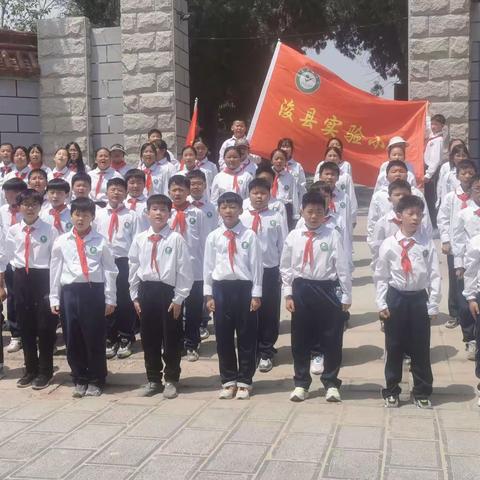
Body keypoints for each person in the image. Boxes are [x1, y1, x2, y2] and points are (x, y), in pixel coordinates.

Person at [281, 192, 351, 403]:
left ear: (326, 213)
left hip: (327, 289)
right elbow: (286, 267)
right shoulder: (294, 236)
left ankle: (331, 383)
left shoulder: (332, 235)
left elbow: (343, 267)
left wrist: (346, 294)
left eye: (319, 212)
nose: (313, 216)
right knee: (300, 339)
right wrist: (288, 293)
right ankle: (301, 383)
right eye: (309, 212)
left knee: (332, 337)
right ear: (301, 211)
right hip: (302, 288)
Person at [375, 195, 441, 408]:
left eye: (419, 214)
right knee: (394, 346)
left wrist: (433, 303)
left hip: (418, 299)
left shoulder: (426, 243)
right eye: (410, 214)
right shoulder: (389, 245)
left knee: (420, 347)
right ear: (398, 216)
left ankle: (421, 390)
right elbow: (381, 276)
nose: (415, 218)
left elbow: (434, 275)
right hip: (396, 298)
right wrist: (382, 303)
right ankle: (392, 389)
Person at [50, 197, 118, 397]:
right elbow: (55, 270)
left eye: (86, 215)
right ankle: (79, 377)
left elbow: (110, 270)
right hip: (70, 293)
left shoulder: (101, 241)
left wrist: (110, 298)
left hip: (93, 292)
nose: (81, 219)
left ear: (92, 218)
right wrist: (55, 298)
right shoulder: (62, 241)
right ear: (71, 215)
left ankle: (97, 378)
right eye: (77, 214)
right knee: (73, 337)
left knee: (94, 336)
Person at [129, 194, 192, 398]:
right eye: (154, 209)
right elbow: (134, 266)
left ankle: (172, 378)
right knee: (149, 338)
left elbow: (184, 271)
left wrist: (179, 298)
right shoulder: (140, 239)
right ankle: (153, 379)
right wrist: (134, 295)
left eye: (163, 210)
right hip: (147, 291)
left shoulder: (176, 239)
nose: (158, 213)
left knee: (171, 337)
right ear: (147, 213)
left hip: (168, 293)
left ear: (169, 214)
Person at [204, 192, 263, 400]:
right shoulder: (213, 237)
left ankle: (245, 380)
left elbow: (257, 267)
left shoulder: (249, 236)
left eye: (232, 207)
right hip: (221, 289)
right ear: (219, 210)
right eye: (224, 207)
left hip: (244, 288)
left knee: (246, 336)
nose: (228, 211)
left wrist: (256, 294)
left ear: (240, 210)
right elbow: (208, 267)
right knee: (223, 337)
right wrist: (208, 294)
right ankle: (228, 380)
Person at [0, 189, 58, 389]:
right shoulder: (13, 230)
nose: (30, 208)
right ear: (19, 207)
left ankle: (45, 371)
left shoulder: (49, 230)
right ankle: (30, 368)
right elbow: (8, 255)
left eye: (34, 204)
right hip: (20, 278)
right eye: (26, 204)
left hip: (43, 278)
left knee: (44, 327)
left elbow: (55, 259)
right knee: (26, 327)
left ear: (40, 206)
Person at [240, 178, 286, 372]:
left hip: (269, 270)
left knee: (269, 311)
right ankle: (250, 348)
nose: (259, 197)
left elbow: (283, 245)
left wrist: (282, 272)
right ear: (248, 195)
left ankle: (267, 350)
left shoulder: (276, 217)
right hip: (246, 271)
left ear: (269, 195)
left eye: (263, 193)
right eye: (255, 193)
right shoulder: (242, 217)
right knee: (248, 312)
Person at [94, 178, 139, 359]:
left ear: (125, 193)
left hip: (123, 261)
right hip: (103, 261)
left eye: (120, 190)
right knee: (106, 299)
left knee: (124, 300)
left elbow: (136, 241)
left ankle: (126, 337)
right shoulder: (98, 214)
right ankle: (109, 337)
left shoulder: (131, 215)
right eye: (113, 189)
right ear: (107, 192)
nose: (116, 193)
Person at [168, 175, 207, 361]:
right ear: (169, 192)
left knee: (192, 308)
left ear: (188, 191)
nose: (177, 193)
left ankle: (192, 343)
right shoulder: (165, 212)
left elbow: (205, 241)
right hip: (171, 269)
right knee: (174, 307)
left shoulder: (197, 213)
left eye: (181, 190)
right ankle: (175, 342)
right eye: (174, 190)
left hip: (194, 268)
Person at [437, 159, 477, 329]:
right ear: (458, 175)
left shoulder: (476, 194)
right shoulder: (451, 197)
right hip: (456, 247)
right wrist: (445, 240)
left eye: (470, 172)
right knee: (456, 282)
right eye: (463, 173)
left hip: (475, 248)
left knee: (474, 281)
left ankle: (471, 314)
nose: (467, 176)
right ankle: (456, 313)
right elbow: (443, 219)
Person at [368, 179, 433, 268]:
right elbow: (376, 247)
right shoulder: (383, 223)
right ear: (389, 199)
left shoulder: (417, 222)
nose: (401, 197)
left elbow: (427, 242)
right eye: (397, 195)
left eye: (405, 195)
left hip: (416, 264)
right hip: (391, 266)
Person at [450, 174, 480, 360]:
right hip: (470, 262)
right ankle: (470, 338)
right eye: (478, 189)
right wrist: (459, 264)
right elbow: (458, 239)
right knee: (467, 303)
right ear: (471, 191)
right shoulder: (464, 213)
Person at [367, 160, 429, 245]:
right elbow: (372, 220)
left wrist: (427, 243)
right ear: (387, 176)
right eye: (393, 172)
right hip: (387, 240)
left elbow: (425, 220)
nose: (398, 174)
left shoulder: (417, 193)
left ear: (407, 175)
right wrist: (372, 241)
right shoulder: (379, 195)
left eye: (401, 171)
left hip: (414, 242)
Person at [0, 178, 27, 354]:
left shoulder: (28, 209)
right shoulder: (2, 211)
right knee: (13, 297)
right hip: (8, 260)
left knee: (29, 297)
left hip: (27, 260)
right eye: (7, 192)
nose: (10, 196)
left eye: (14, 192)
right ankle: (16, 334)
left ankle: (32, 332)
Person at [314, 146, 358, 227]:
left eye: (335, 156)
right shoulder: (314, 195)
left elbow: (352, 196)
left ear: (338, 177)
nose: (329, 177)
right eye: (330, 155)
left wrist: (353, 218)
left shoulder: (344, 196)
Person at [423, 114, 446, 228]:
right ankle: (431, 222)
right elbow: (426, 125)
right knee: (427, 196)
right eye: (432, 124)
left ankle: (434, 224)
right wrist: (425, 109)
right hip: (427, 168)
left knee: (432, 198)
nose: (433, 126)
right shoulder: (432, 136)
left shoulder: (438, 140)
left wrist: (428, 174)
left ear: (442, 126)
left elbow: (435, 160)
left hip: (433, 171)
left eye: (436, 124)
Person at [270, 149, 299, 230]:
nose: (279, 161)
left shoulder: (290, 177)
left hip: (285, 208)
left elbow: (294, 196)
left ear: (286, 161)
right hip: (269, 207)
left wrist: (295, 215)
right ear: (272, 161)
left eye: (282, 159)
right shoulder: (267, 175)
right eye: (276, 159)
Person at [436, 142, 469, 208]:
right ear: (453, 157)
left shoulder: (472, 174)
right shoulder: (449, 176)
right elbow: (444, 193)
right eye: (458, 156)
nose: (461, 158)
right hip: (453, 206)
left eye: (464, 155)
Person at [278, 137, 307, 208]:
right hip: (277, 203)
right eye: (283, 146)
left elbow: (302, 186)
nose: (285, 149)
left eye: (287, 147)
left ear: (292, 149)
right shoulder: (275, 166)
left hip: (293, 203)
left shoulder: (297, 166)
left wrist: (302, 205)